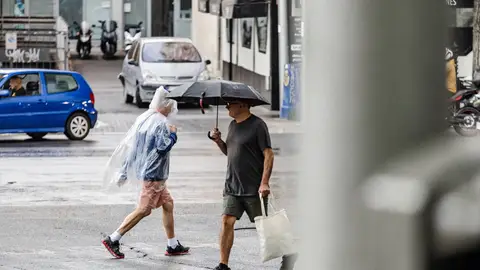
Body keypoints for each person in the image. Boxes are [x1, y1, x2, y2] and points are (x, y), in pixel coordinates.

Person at [101, 88, 190, 259]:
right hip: (153, 175)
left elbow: (133, 146)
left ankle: (172, 244)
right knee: (144, 210)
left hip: (154, 174)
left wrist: (125, 170)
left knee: (168, 204)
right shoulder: (161, 123)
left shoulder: (145, 118)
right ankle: (113, 238)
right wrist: (173, 134)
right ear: (165, 105)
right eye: (171, 104)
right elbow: (163, 147)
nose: (173, 108)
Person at [209, 100, 297, 270]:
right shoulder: (232, 125)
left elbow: (269, 154)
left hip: (253, 187)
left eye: (230, 104)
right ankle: (223, 264)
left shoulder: (258, 126)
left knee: (267, 225)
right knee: (227, 221)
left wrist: (264, 182)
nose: (227, 106)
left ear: (242, 105)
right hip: (232, 186)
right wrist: (219, 141)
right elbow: (231, 152)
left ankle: (289, 253)